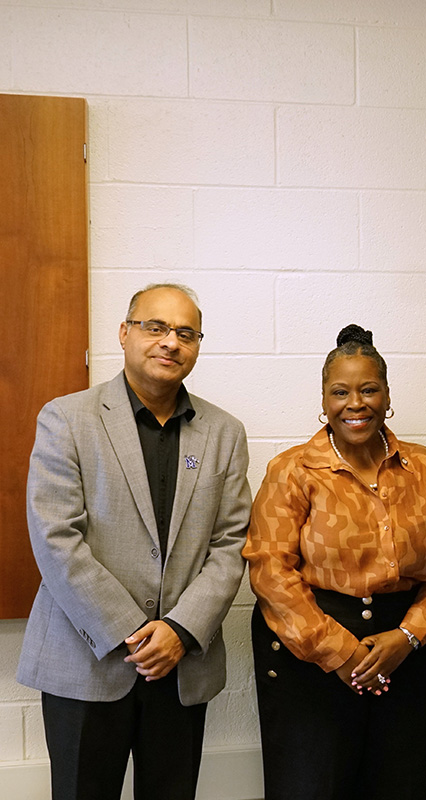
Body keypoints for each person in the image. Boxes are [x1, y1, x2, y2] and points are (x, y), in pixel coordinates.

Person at [19, 283, 250, 800]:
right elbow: (57, 538)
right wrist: (136, 632)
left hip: (180, 665)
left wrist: (179, 630)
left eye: (185, 333)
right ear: (125, 334)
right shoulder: (66, 418)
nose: (170, 342)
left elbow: (232, 543)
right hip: (87, 661)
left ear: (196, 346)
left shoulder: (224, 433)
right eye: (155, 327)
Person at [244, 324, 426, 800]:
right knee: (312, 784)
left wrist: (409, 636)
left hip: (405, 647)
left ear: (387, 396)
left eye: (369, 389)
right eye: (340, 392)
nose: (355, 403)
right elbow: (269, 570)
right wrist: (342, 655)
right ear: (323, 401)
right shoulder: (292, 471)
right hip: (312, 652)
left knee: (397, 782)